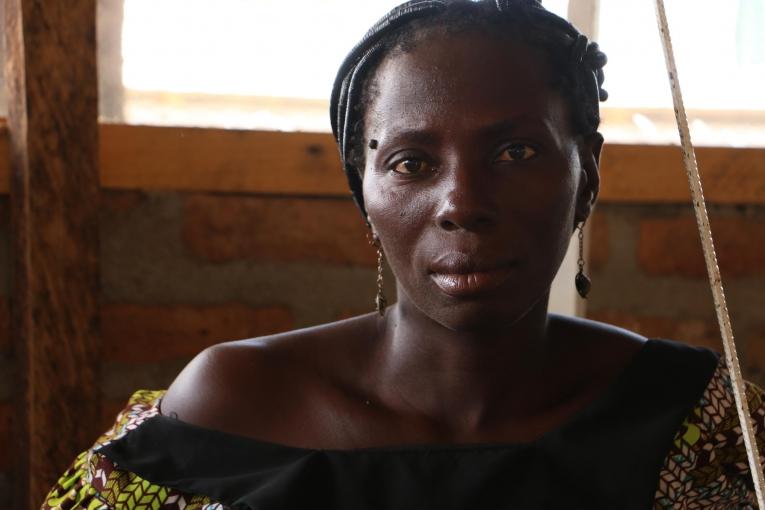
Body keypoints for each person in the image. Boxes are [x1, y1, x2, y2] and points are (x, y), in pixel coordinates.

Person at [43, 1, 765, 509]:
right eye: (413, 163)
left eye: (515, 152)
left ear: (588, 177)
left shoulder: (690, 421)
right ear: (363, 190)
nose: (461, 202)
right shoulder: (237, 408)